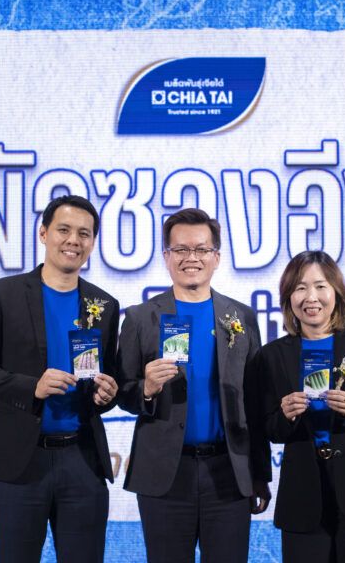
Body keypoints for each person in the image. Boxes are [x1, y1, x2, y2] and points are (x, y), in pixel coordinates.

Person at [0, 195, 120, 562]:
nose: (73, 240)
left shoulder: (104, 305)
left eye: (84, 233)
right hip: (18, 460)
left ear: (92, 242)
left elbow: (104, 380)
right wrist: (31, 387)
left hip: (82, 459)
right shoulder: (2, 294)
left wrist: (107, 395)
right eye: (64, 230)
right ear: (43, 233)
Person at [117, 208, 271, 563]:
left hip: (228, 472)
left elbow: (255, 402)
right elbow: (122, 391)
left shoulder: (242, 317)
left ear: (216, 257)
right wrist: (146, 389)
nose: (192, 258)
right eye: (181, 250)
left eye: (201, 249)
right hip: (165, 476)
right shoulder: (140, 318)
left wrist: (259, 474)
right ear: (166, 256)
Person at [259, 250, 345, 562]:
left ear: (336, 292)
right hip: (302, 497)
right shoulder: (272, 355)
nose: (311, 297)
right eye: (300, 288)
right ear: (288, 298)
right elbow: (267, 428)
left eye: (320, 286)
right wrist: (285, 414)